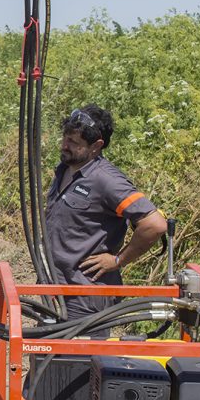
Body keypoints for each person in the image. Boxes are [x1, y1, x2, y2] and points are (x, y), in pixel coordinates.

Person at [45, 104, 168, 322]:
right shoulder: (65, 169)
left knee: (79, 357)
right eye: (65, 138)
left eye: (73, 142)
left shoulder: (107, 181)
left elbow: (155, 224)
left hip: (84, 298)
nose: (64, 145)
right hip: (53, 290)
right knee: (44, 354)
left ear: (96, 146)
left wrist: (118, 260)